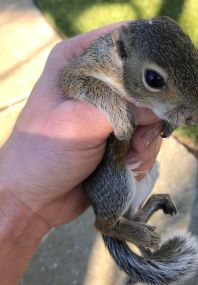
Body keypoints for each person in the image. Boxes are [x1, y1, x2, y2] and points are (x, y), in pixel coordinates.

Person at [0, 22, 162, 285]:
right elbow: (71, 79)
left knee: (141, 171)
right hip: (105, 168)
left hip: (114, 155)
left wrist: (20, 206)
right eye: (154, 80)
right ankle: (113, 225)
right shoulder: (103, 62)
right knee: (118, 183)